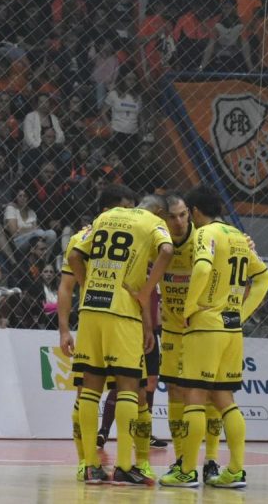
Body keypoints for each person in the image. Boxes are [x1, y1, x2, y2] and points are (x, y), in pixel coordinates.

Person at [160, 185, 268, 489]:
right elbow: (264, 279)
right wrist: (242, 313)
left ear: (195, 212)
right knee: (225, 400)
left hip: (206, 326)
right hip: (232, 329)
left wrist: (189, 306)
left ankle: (186, 471)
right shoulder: (237, 236)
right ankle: (234, 470)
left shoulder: (205, 234)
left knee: (194, 398)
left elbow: (202, 269)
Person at [65, 194, 174, 485]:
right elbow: (167, 250)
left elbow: (74, 254)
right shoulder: (152, 222)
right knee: (128, 387)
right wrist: (146, 290)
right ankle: (125, 466)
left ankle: (90, 466)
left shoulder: (105, 216)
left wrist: (87, 283)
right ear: (160, 211)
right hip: (122, 311)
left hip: (90, 309)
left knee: (90, 388)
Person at [57, 183, 137, 482]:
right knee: (86, 393)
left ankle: (129, 462)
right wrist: (64, 330)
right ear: (107, 210)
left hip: (122, 321)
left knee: (126, 391)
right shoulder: (82, 239)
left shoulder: (134, 238)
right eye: (126, 209)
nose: (131, 216)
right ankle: (86, 461)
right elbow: (66, 288)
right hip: (98, 321)